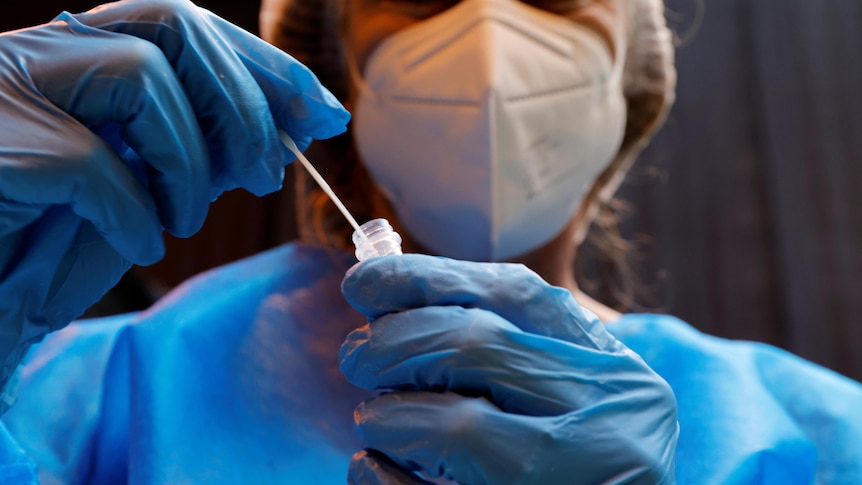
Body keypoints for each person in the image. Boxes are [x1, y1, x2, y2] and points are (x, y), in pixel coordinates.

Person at [0, 1, 859, 484]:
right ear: (335, 62)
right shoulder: (87, 387)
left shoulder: (825, 436)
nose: (488, 32)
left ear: (632, 65)